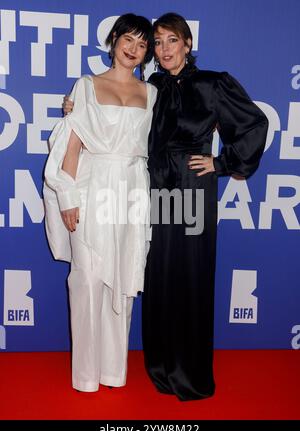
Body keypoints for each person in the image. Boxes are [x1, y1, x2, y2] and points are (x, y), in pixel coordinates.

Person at [63, 12, 269, 401]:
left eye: (171, 40)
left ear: (188, 45)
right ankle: (159, 365)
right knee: (158, 277)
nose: (163, 49)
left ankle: (188, 373)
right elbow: (119, 122)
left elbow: (254, 124)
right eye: (157, 42)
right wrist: (75, 106)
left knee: (190, 277)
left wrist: (221, 163)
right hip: (152, 191)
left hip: (191, 191)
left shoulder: (213, 84)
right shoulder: (152, 86)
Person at [43, 13, 157, 392]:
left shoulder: (152, 93)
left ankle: (112, 371)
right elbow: (71, 146)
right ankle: (86, 376)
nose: (134, 49)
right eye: (129, 39)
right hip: (92, 188)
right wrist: (68, 197)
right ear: (113, 40)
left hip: (131, 191)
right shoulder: (87, 85)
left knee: (122, 279)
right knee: (88, 278)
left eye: (143, 44)